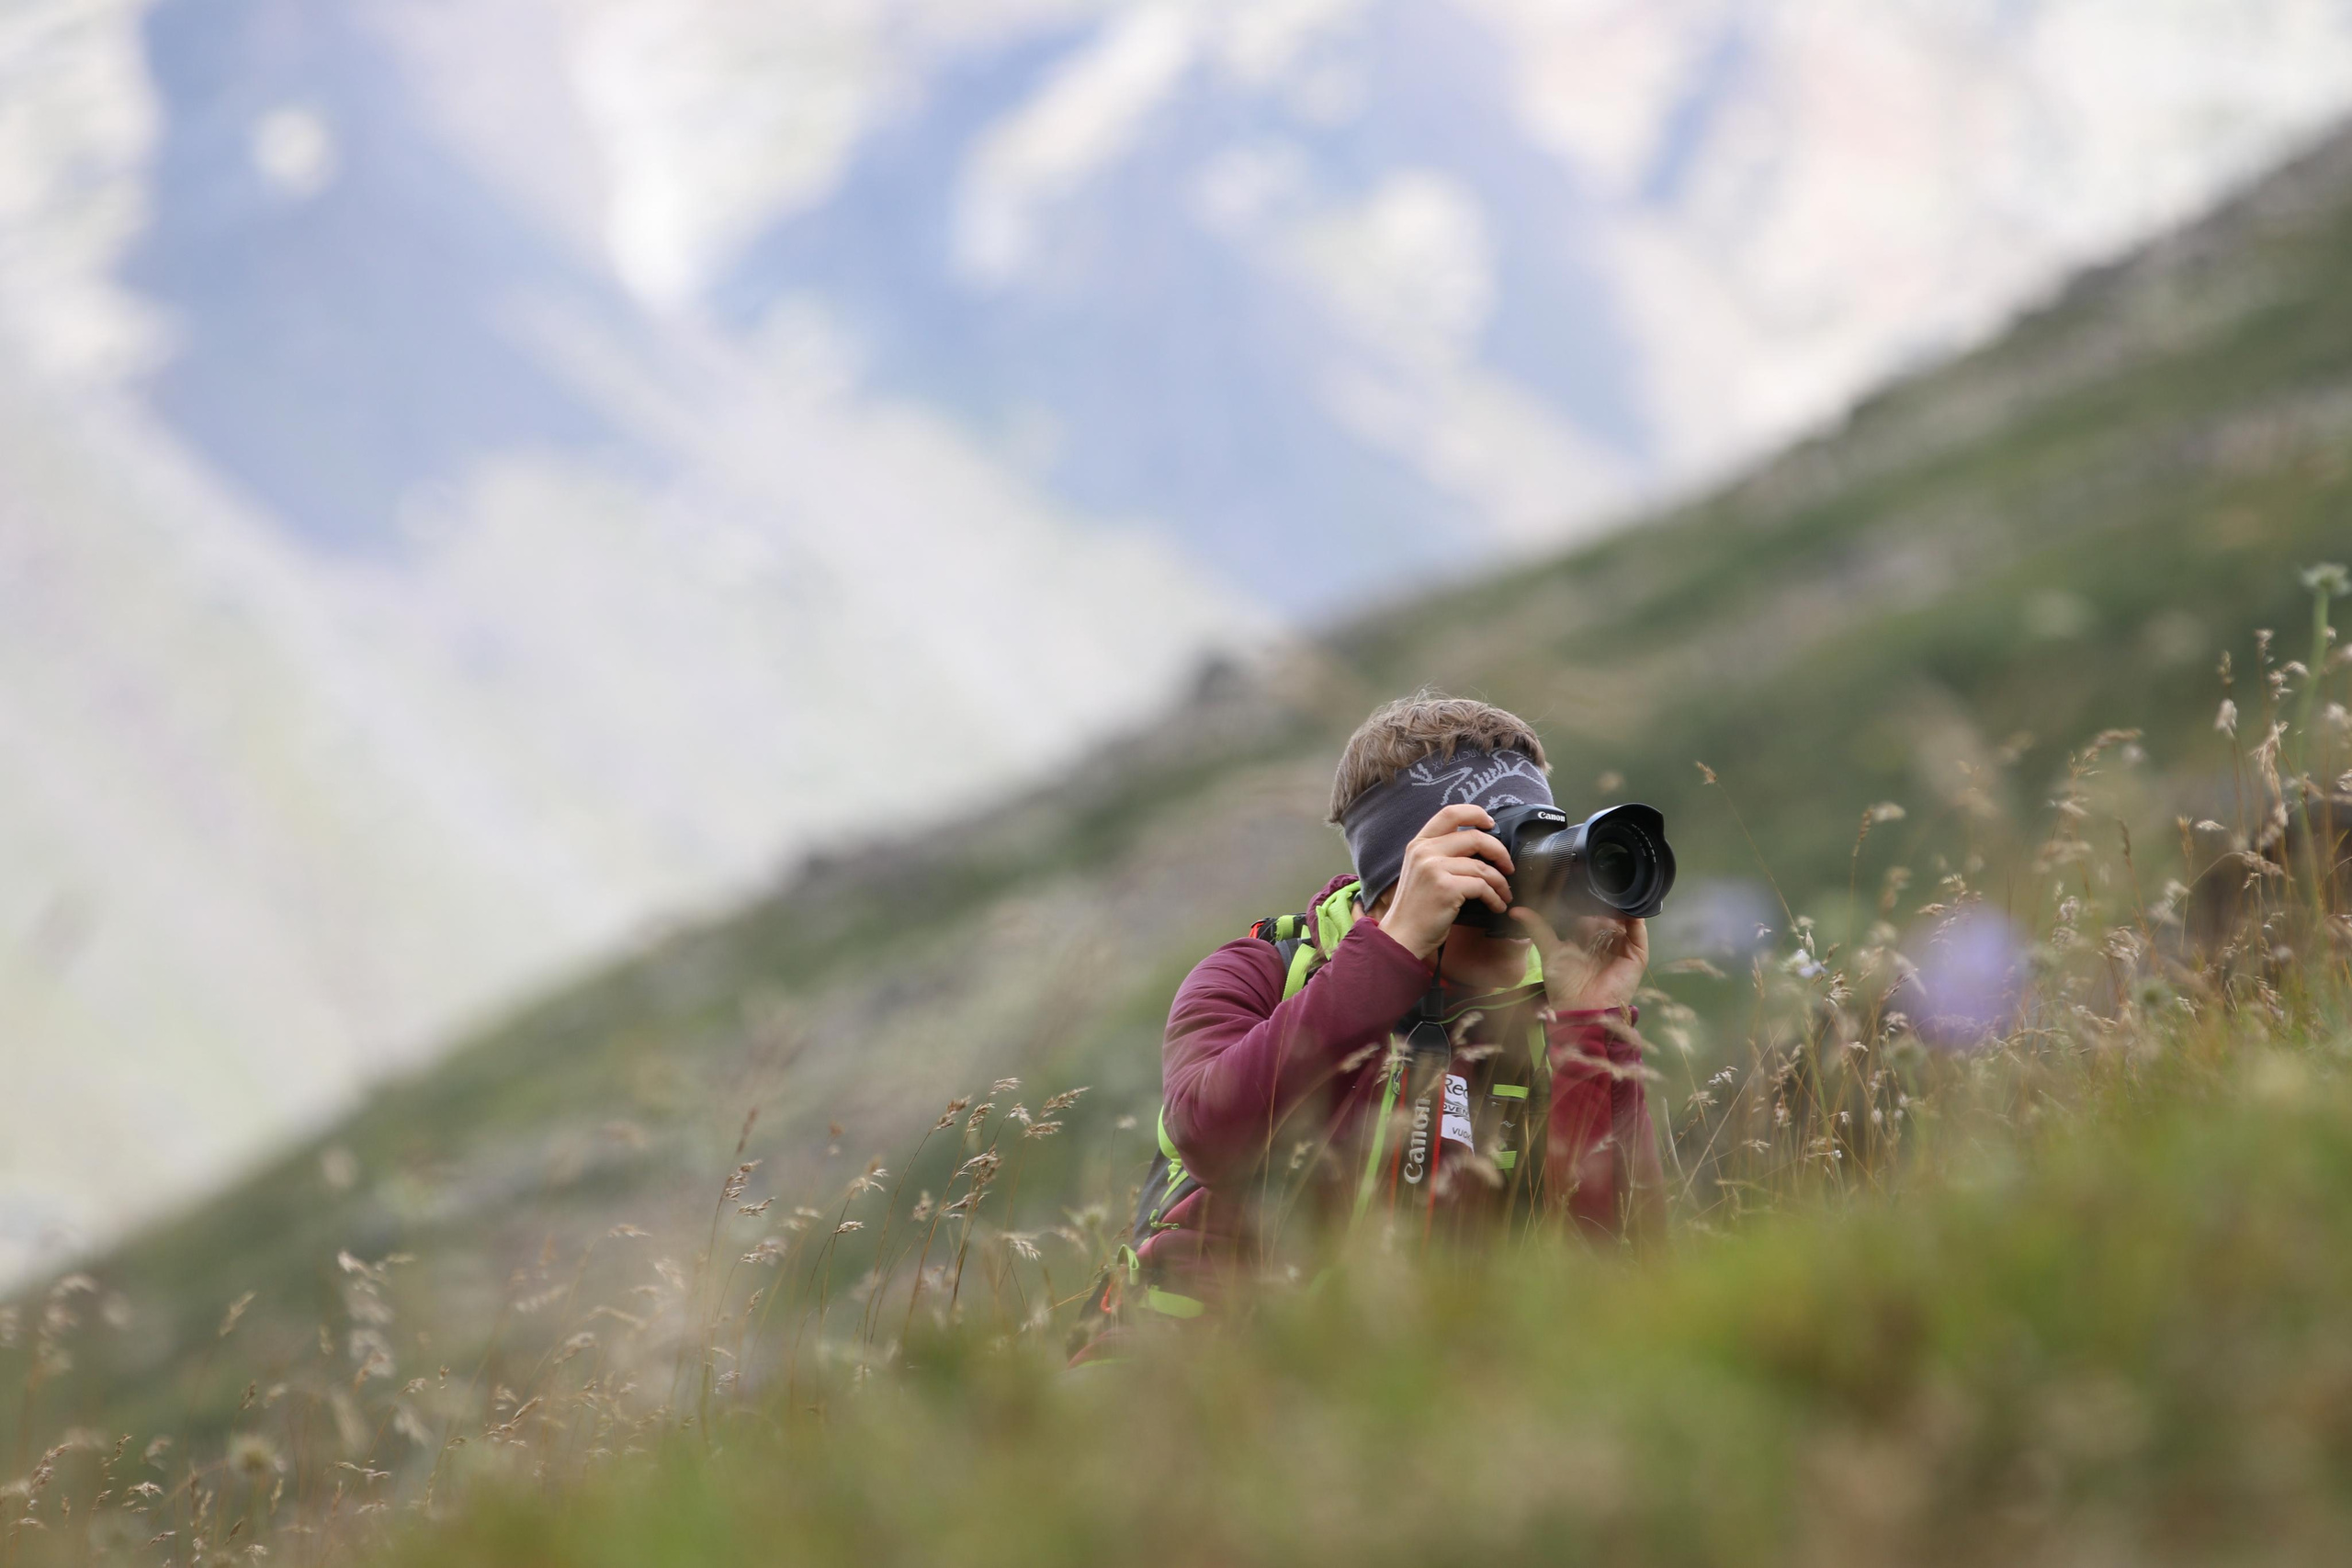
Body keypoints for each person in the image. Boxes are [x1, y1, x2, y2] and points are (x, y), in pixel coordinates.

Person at [1081, 694, 1663, 1344]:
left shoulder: (1548, 1019)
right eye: (1488, 853)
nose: (1520, 881)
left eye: (1537, 850)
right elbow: (1211, 1137)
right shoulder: (1261, 974)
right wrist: (1391, 951)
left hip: (1412, 1382)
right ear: (1400, 877)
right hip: (1193, 1370)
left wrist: (1593, 1022)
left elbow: (1627, 1275)